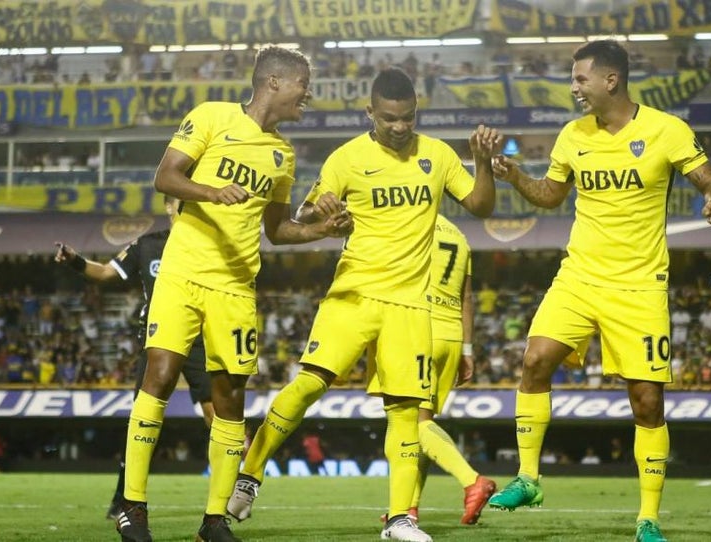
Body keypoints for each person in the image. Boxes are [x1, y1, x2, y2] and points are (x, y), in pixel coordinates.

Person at [226, 68, 501, 542]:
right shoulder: (347, 157)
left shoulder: (437, 154)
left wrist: (482, 163)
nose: (400, 127)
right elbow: (303, 213)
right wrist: (323, 211)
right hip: (352, 296)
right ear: (370, 112)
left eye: (408, 117)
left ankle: (399, 520)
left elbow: (481, 206)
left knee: (406, 412)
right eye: (390, 118)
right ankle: (250, 476)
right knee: (308, 385)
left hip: (410, 306)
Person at [487, 40, 711, 542]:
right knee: (534, 360)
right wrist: (515, 176)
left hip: (639, 286)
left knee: (647, 402)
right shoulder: (572, 134)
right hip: (578, 276)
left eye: (580, 79)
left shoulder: (666, 129)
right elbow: (550, 195)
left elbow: (709, 180)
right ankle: (529, 479)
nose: (573, 88)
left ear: (610, 80)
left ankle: (648, 520)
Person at [114, 45, 352, 542]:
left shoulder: (283, 155)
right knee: (160, 375)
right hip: (183, 272)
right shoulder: (211, 116)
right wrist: (211, 191)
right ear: (274, 82)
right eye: (303, 84)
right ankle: (132, 507)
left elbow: (278, 230)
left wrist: (323, 231)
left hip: (236, 286)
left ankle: (214, 520)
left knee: (230, 398)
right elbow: (166, 176)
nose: (307, 94)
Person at [54, 195, 215, 521]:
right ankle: (124, 499)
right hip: (159, 338)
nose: (185, 207)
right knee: (143, 419)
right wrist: (75, 260)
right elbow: (104, 273)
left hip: (201, 337)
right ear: (168, 206)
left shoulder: (207, 243)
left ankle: (224, 498)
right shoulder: (147, 245)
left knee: (218, 417)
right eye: (179, 202)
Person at [380, 214, 496, 525]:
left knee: (410, 423)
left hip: (418, 328)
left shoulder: (407, 221)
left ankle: (472, 481)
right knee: (423, 424)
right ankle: (409, 506)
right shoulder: (459, 235)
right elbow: (466, 297)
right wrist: (467, 350)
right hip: (451, 336)